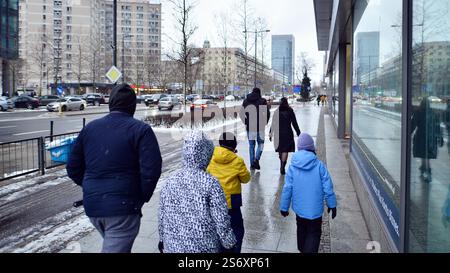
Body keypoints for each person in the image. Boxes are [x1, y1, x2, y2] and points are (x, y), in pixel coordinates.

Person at [66, 83, 162, 253]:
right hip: (123, 208)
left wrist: (92, 187)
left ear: (111, 103)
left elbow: (73, 167)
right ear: (133, 105)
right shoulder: (141, 130)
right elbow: (151, 170)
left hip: (94, 207)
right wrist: (140, 197)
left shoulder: (90, 128)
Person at [158, 131, 236, 253]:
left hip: (173, 246)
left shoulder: (169, 181)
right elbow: (221, 219)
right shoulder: (211, 183)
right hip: (204, 247)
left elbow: (162, 214)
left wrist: (162, 239)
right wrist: (229, 243)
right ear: (207, 154)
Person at [279, 133, 337, 253]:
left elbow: (287, 188)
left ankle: (302, 248)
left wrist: (284, 207)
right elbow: (328, 187)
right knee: (314, 232)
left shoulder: (293, 166)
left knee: (301, 229)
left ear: (299, 148)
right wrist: (332, 204)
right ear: (312, 147)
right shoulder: (320, 166)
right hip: (315, 211)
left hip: (300, 209)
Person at [207, 132, 251, 253]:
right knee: (237, 230)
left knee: (217, 228)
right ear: (234, 146)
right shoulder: (237, 160)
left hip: (214, 201)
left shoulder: (211, 157)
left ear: (220, 143)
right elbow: (246, 179)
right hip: (232, 202)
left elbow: (207, 174)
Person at [411, 97, 443, 182]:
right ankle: (424, 170)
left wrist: (408, 132)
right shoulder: (433, 113)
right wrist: (440, 138)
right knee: (426, 156)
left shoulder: (418, 112)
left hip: (421, 137)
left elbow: (413, 124)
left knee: (423, 155)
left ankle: (426, 172)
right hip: (431, 138)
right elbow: (437, 126)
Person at [240, 87, 270, 170]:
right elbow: (267, 113)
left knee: (251, 145)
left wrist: (246, 122)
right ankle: (256, 160)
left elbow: (241, 113)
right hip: (260, 126)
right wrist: (265, 122)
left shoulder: (246, 101)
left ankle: (252, 163)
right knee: (261, 144)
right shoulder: (262, 101)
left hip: (250, 127)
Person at [269, 97, 301, 175]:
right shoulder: (290, 111)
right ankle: (283, 166)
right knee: (285, 150)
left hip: (278, 133)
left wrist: (271, 133)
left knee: (280, 149)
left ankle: (281, 163)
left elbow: (273, 123)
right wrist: (298, 132)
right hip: (287, 132)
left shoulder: (277, 111)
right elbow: (294, 123)